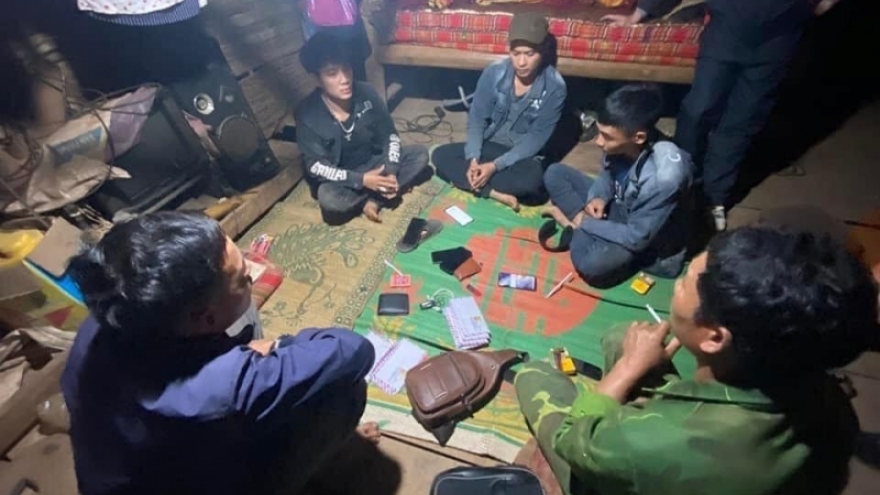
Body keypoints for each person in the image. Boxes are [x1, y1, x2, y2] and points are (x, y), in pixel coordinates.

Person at [515, 226, 878, 495]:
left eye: (685, 282)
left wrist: (626, 370)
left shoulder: (659, 443)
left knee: (533, 376)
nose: (677, 285)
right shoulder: (824, 392)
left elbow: (573, 441)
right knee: (622, 337)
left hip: (667, 459)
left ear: (715, 337)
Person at [62, 211, 380, 495]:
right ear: (206, 318)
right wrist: (281, 346)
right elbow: (355, 351)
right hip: (189, 480)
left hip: (127, 474)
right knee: (343, 389)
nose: (252, 274)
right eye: (242, 278)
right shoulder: (229, 382)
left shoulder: (104, 322)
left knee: (245, 317)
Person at [602, 0, 842, 231]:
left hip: (779, 38)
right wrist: (638, 14)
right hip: (726, 30)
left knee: (741, 122)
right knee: (697, 111)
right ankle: (680, 187)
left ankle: (714, 198)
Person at [543, 84, 692, 289]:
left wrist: (584, 222)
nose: (598, 142)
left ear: (639, 137)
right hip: (618, 207)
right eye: (599, 131)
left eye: (607, 136)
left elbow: (637, 237)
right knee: (554, 173)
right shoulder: (624, 140)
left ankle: (572, 222)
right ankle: (581, 224)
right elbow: (608, 174)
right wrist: (599, 196)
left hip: (642, 235)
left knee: (590, 265)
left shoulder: (663, 180)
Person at [432, 12, 566, 211]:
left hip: (521, 156)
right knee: (439, 155)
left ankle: (471, 182)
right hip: (490, 145)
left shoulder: (555, 87)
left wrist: (494, 166)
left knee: (534, 183)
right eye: (515, 53)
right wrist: (473, 159)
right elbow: (477, 119)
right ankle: (492, 192)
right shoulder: (494, 72)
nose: (521, 62)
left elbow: (535, 140)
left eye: (529, 54)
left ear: (544, 50)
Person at [295, 31, 429, 224]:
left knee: (420, 155)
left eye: (347, 68)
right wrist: (361, 180)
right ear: (317, 78)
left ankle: (374, 199)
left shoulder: (366, 92)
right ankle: (376, 196)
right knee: (329, 199)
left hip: (375, 163)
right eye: (332, 74)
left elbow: (390, 136)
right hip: (344, 177)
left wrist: (391, 171)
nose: (344, 79)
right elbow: (316, 167)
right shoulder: (308, 113)